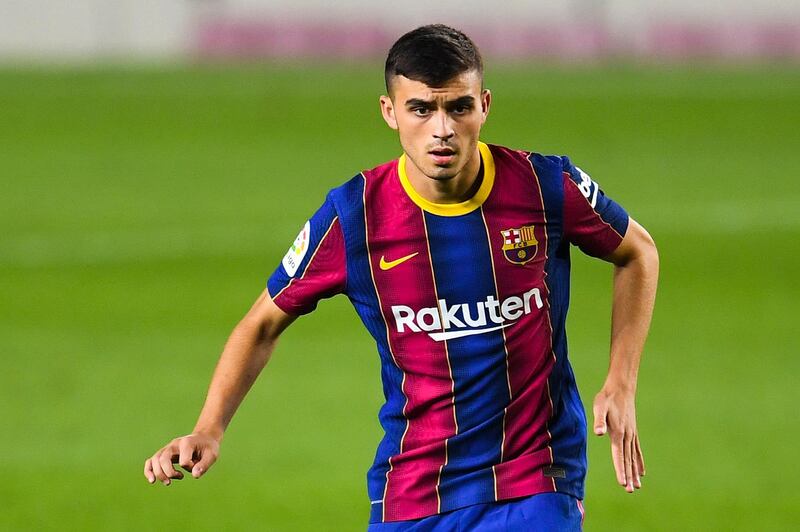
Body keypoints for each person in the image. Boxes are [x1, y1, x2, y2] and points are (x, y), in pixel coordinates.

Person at [144, 24, 658, 530]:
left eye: (458, 107)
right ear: (390, 112)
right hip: (412, 489)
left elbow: (638, 252)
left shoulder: (545, 185)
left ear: (484, 106)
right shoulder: (355, 216)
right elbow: (261, 323)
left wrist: (621, 382)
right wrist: (208, 429)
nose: (442, 128)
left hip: (534, 480)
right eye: (421, 109)